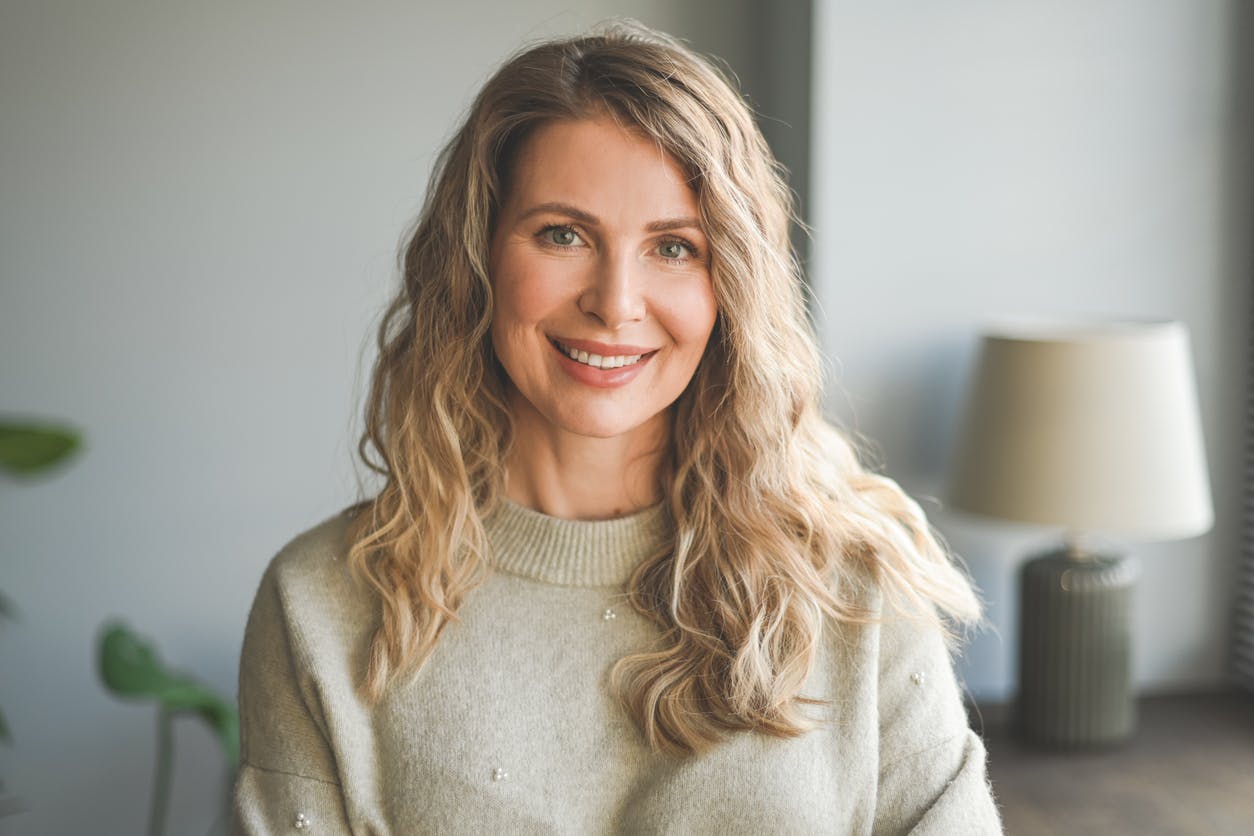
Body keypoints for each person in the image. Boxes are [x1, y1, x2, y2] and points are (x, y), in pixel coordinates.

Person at [232, 21, 1003, 835]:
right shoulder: (321, 606)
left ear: (729, 287)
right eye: (563, 235)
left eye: (673, 248)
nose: (616, 301)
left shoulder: (857, 582)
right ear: (478, 259)